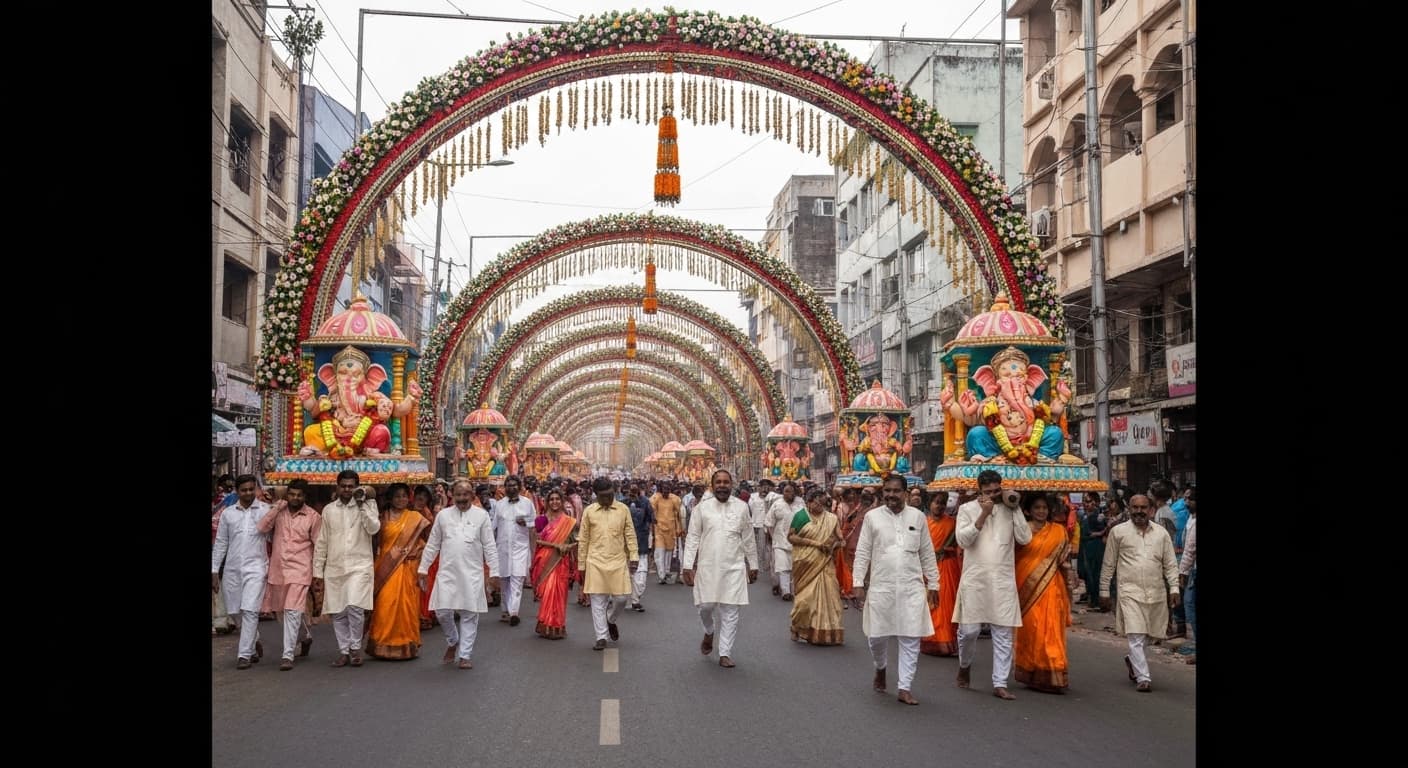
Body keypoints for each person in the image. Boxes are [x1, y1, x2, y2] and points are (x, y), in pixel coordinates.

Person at [853, 475, 939, 705]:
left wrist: (934, 583)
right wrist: (858, 583)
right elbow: (862, 552)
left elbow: (927, 553)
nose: (891, 495)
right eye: (887, 491)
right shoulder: (872, 517)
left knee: (911, 637)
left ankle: (905, 687)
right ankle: (880, 667)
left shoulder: (918, 517)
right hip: (882, 586)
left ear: (906, 493)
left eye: (896, 491)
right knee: (876, 637)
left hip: (911, 586)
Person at [953, 469, 1032, 701]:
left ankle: (1000, 683)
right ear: (979, 490)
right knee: (969, 631)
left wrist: (1015, 507)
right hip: (975, 579)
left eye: (997, 491)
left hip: (1002, 580)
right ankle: (964, 664)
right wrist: (983, 515)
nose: (994, 495)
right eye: (988, 491)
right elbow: (963, 540)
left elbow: (1025, 539)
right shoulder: (967, 509)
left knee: (1003, 633)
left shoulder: (1010, 509)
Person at [1100, 494, 1181, 692]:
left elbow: (1170, 564)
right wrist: (1103, 590)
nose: (1139, 511)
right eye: (1135, 507)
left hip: (1156, 592)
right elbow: (1109, 563)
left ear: (1150, 510)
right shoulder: (1118, 532)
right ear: (1129, 509)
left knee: (1152, 634)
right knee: (1135, 635)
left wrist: (1174, 588)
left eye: (1143, 508)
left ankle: (1132, 660)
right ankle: (1143, 678)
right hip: (1129, 592)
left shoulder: (1161, 534)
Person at [682, 469, 759, 669]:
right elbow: (692, 538)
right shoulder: (702, 509)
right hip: (707, 567)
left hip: (733, 567)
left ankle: (725, 653)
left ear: (731, 485)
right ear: (712, 485)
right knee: (705, 607)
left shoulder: (742, 507)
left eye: (726, 482)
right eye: (719, 482)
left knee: (730, 611)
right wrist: (687, 566)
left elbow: (749, 538)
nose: (723, 486)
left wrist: (754, 564)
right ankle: (709, 631)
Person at [419, 480, 500, 669]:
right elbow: (432, 544)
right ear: (451, 496)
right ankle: (453, 640)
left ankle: (465, 654)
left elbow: (489, 546)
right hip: (447, 572)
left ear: (472, 495)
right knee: (442, 611)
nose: (462, 498)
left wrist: (494, 572)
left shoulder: (481, 516)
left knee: (469, 614)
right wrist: (423, 568)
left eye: (466, 494)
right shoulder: (443, 516)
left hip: (472, 573)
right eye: (458, 495)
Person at [313, 469, 381, 668]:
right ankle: (344, 651)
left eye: (351, 486)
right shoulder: (329, 510)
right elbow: (322, 541)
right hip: (334, 566)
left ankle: (354, 647)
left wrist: (362, 506)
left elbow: (374, 528)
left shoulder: (369, 504)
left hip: (360, 565)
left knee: (355, 607)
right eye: (343, 486)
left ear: (357, 487)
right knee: (338, 611)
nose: (347, 490)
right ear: (337, 487)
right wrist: (318, 570)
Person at [256, 478, 322, 671]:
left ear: (305, 497)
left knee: (292, 610)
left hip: (301, 569)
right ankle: (305, 637)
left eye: (299, 495)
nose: (295, 498)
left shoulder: (313, 517)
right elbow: (261, 528)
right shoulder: (279, 512)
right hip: (278, 569)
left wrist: (318, 572)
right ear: (287, 495)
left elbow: (319, 545)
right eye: (292, 494)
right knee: (283, 612)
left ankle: (287, 655)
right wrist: (277, 506)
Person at [1013, 494, 1073, 693]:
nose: (1041, 511)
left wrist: (1070, 578)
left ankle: (1053, 671)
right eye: (1037, 508)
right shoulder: (1021, 531)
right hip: (1024, 584)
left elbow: (1064, 561)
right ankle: (1033, 671)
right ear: (1028, 510)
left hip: (1053, 586)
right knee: (1031, 629)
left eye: (1044, 508)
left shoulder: (1058, 531)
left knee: (1052, 629)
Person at [212, 474, 272, 669]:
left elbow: (274, 536)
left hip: (256, 568)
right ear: (237, 491)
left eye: (251, 489)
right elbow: (221, 543)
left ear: (256, 489)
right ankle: (253, 641)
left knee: (250, 610)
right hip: (232, 569)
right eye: (244, 490)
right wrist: (214, 570)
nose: (248, 493)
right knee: (235, 611)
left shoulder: (265, 510)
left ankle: (244, 655)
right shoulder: (228, 513)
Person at [366, 483, 430, 660]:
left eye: (404, 496)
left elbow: (425, 544)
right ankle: (381, 644)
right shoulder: (382, 517)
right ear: (390, 498)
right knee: (385, 604)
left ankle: (406, 644)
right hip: (385, 567)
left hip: (407, 567)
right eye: (397, 496)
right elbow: (375, 542)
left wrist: (416, 553)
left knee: (407, 606)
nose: (401, 499)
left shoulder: (415, 517)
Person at [578, 477, 638, 651]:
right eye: (604, 496)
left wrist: (634, 556)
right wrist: (581, 566)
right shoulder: (589, 512)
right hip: (595, 561)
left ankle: (611, 620)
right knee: (598, 601)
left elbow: (630, 534)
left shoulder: (623, 509)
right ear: (596, 495)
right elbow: (583, 540)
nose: (608, 498)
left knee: (621, 599)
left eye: (611, 494)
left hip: (617, 560)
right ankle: (601, 637)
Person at [786, 487, 845, 645]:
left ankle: (826, 633)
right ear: (809, 502)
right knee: (804, 601)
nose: (820, 506)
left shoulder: (831, 518)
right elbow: (791, 537)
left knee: (831, 598)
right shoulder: (801, 516)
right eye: (817, 503)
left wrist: (833, 546)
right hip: (805, 564)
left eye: (822, 503)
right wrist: (815, 544)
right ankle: (797, 627)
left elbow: (841, 539)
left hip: (825, 563)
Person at [530, 489, 578, 639]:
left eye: (557, 499)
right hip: (545, 559)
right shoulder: (541, 520)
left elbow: (575, 542)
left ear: (562, 501)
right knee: (547, 592)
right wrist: (555, 546)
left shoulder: (568, 522)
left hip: (560, 560)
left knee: (559, 593)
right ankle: (545, 624)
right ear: (547, 502)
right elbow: (536, 540)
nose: (555, 502)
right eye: (551, 499)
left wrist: (566, 547)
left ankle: (556, 626)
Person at [491, 476, 537, 627]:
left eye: (514, 485)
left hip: (520, 548)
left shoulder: (527, 504)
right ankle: (506, 609)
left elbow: (535, 523)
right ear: (505, 488)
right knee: (505, 580)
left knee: (517, 578)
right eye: (508, 486)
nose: (511, 488)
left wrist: (527, 522)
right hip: (503, 548)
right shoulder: (499, 505)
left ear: (519, 487)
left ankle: (514, 612)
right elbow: (493, 527)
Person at [920, 491, 961, 657]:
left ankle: (946, 641)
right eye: (937, 502)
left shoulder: (953, 523)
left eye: (943, 503)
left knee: (947, 604)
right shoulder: (923, 524)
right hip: (929, 568)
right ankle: (931, 641)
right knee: (932, 605)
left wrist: (948, 550)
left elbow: (960, 544)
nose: (940, 506)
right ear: (930, 503)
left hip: (948, 568)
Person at [767, 481, 805, 601]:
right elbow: (769, 523)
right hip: (779, 541)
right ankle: (785, 592)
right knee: (783, 567)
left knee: (795, 567)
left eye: (792, 491)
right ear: (782, 492)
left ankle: (795, 590)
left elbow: (807, 521)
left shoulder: (800, 504)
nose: (789, 494)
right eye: (787, 491)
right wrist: (773, 537)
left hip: (797, 541)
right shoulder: (776, 505)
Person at [412, 485, 439, 630]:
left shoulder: (427, 515)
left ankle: (424, 615)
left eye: (424, 496)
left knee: (424, 586)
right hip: (407, 552)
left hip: (423, 553)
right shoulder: (407, 510)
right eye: (418, 494)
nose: (420, 498)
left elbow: (430, 538)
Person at [625, 483, 656, 612]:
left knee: (641, 576)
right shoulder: (623, 504)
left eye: (635, 491)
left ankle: (636, 597)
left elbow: (651, 520)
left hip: (642, 543)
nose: (633, 494)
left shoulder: (645, 503)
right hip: (625, 546)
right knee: (627, 574)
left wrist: (652, 539)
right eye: (630, 491)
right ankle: (633, 601)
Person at [650, 482, 684, 584]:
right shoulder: (656, 499)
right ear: (661, 490)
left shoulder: (674, 499)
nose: (666, 491)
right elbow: (652, 513)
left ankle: (667, 573)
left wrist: (679, 529)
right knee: (660, 553)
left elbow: (678, 515)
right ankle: (661, 575)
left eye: (668, 489)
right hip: (659, 530)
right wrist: (653, 525)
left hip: (671, 530)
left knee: (669, 553)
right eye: (664, 489)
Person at [747, 479, 777, 593]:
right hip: (758, 525)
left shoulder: (772, 498)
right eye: (762, 487)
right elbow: (750, 510)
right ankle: (760, 566)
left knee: (770, 546)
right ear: (758, 488)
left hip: (770, 525)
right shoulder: (753, 497)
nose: (764, 489)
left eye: (767, 487)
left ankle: (769, 565)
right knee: (760, 547)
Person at [1178, 488, 1197, 660]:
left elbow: (1190, 551)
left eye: (1189, 499)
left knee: (1189, 604)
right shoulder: (1191, 518)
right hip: (1192, 569)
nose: (1186, 502)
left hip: (1193, 570)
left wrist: (1182, 572)